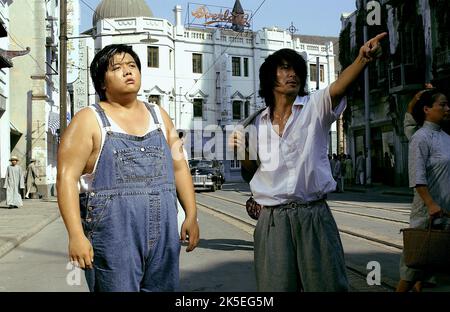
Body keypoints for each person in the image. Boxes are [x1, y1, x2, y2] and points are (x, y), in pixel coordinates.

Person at [230, 33, 387, 291]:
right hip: (273, 220)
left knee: (327, 286)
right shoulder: (256, 122)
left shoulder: (315, 107)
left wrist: (362, 59)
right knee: (274, 288)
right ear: (271, 78)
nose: (293, 74)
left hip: (313, 215)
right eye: (284, 69)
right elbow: (255, 172)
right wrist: (242, 152)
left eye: (296, 70)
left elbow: (339, 86)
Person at [56, 44, 199, 292]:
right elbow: (66, 178)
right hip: (113, 236)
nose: (128, 71)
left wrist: (191, 214)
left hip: (164, 234)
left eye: (132, 66)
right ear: (102, 82)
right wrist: (76, 235)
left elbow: (179, 167)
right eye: (117, 68)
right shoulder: (88, 120)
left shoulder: (159, 116)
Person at [396, 88, 450, 292]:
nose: (447, 108)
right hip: (428, 213)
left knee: (434, 273)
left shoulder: (446, 137)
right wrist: (430, 203)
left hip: (446, 212)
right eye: (442, 105)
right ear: (427, 109)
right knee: (412, 270)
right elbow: (417, 175)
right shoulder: (420, 137)